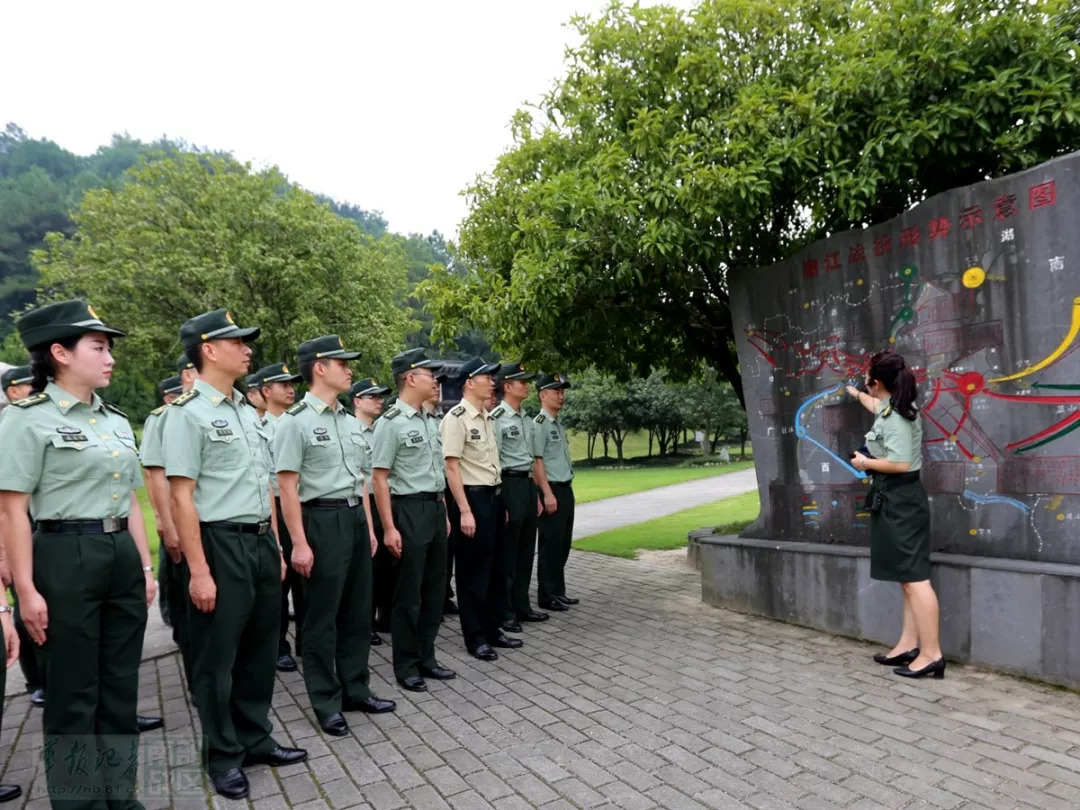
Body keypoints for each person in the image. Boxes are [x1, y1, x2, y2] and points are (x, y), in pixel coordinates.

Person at [0, 300, 158, 808]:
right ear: (60, 353)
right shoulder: (25, 420)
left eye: (109, 348)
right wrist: (24, 589)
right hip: (63, 555)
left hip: (119, 555)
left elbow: (130, 500)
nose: (110, 357)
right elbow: (12, 510)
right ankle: (79, 801)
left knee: (118, 687)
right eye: (99, 347)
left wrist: (145, 566)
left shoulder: (113, 419)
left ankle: (120, 795)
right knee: (72, 693)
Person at [163, 309, 306, 800]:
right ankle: (223, 754)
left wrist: (276, 547)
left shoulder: (249, 412)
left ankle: (255, 736)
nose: (248, 349)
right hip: (218, 543)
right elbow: (182, 497)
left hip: (261, 542)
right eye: (237, 342)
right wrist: (198, 572)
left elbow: (264, 483)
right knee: (216, 657)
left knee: (261, 648)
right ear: (209, 350)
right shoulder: (186, 415)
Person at [273, 336, 395, 737]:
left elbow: (359, 479)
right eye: (342, 363)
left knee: (358, 611)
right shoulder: (295, 422)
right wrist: (300, 543)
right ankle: (326, 700)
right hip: (319, 521)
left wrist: (368, 526)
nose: (350, 369)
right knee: (321, 618)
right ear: (319, 368)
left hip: (354, 521)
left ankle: (355, 688)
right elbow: (287, 487)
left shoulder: (348, 421)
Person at [848, 350, 944, 679]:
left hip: (901, 500)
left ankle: (932, 654)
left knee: (916, 580)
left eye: (867, 379)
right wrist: (856, 394)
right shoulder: (893, 407)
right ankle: (908, 644)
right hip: (895, 498)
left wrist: (864, 463)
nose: (864, 383)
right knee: (907, 578)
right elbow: (876, 407)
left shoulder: (899, 418)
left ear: (879, 383)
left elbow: (900, 463)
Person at [371, 348, 456, 693]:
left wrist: (445, 513)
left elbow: (438, 473)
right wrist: (389, 527)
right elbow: (379, 478)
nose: (435, 381)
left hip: (435, 509)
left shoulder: (431, 420)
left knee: (435, 589)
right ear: (410, 378)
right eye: (429, 374)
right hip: (407, 510)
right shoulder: (390, 424)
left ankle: (427, 656)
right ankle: (406, 664)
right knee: (409, 593)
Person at [441, 357, 522, 661]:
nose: (492, 382)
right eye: (486, 377)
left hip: (493, 496)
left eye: (492, 377)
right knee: (473, 571)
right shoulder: (456, 418)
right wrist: (463, 510)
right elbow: (451, 467)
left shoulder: (487, 417)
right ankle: (475, 637)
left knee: (496, 569)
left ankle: (492, 628)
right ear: (468, 382)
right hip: (471, 500)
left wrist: (499, 501)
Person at [251, 362, 305, 673]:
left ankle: (305, 641)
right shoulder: (257, 427)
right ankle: (277, 645)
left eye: (291, 383)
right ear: (265, 391)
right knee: (278, 583)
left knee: (305, 577)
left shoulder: (299, 423)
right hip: (273, 506)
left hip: (301, 505)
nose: (289, 388)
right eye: (282, 384)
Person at [1, 365, 46, 708]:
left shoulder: (38, 421)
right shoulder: (7, 426)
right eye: (27, 387)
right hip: (15, 529)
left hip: (43, 527)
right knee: (24, 602)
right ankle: (36, 680)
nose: (34, 390)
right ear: (12, 391)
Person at [491, 363, 548, 630]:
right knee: (508, 553)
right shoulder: (496, 418)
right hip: (509, 484)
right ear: (507, 386)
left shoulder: (527, 419)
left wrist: (537, 493)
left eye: (527, 381)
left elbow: (534, 460)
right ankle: (505, 610)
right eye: (521, 381)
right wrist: (500, 498)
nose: (526, 385)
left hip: (526, 485)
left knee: (526, 550)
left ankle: (523, 605)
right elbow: (495, 461)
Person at [351, 376, 393, 645]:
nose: (379, 401)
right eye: (372, 397)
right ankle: (363, 622)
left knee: (384, 566)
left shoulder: (382, 429)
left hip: (384, 503)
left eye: (380, 397)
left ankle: (383, 615)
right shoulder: (350, 430)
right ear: (357, 401)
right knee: (364, 568)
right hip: (361, 504)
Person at [531, 374, 578, 612]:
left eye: (562, 392)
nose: (561, 396)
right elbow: (536, 461)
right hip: (552, 490)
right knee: (550, 544)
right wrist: (547, 493)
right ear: (542, 395)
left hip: (565, 488)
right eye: (556, 391)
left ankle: (559, 590)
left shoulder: (556, 423)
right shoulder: (539, 424)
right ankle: (547, 594)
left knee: (563, 543)